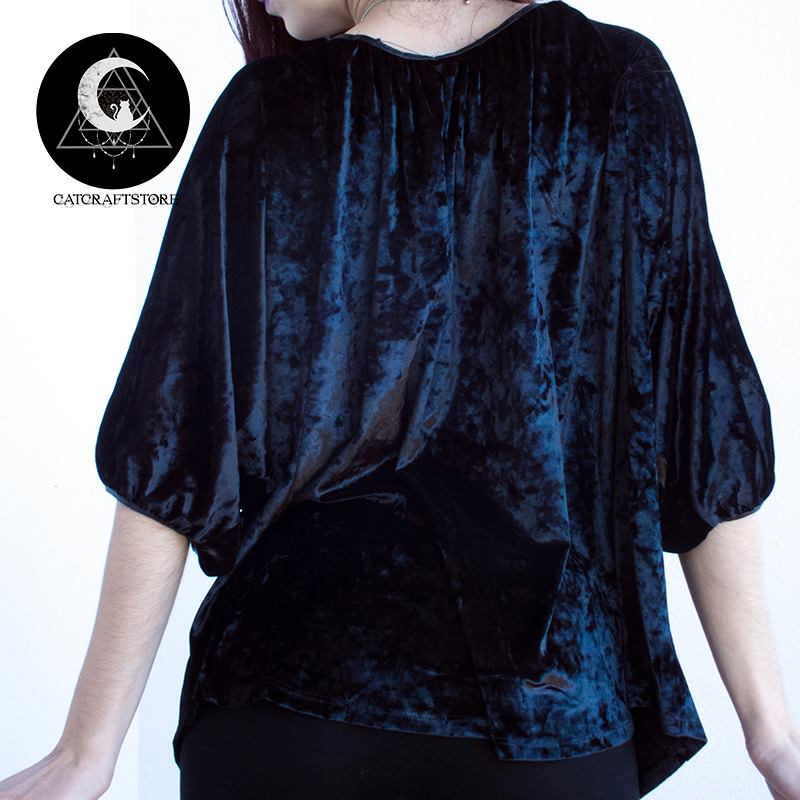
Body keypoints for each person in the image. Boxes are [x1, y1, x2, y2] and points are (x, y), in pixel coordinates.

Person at [1, 1, 798, 798]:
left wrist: (88, 748)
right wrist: (772, 734)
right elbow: (705, 429)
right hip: (544, 720)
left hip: (283, 704)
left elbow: (173, 442)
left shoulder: (267, 110)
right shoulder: (617, 83)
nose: (263, 3)